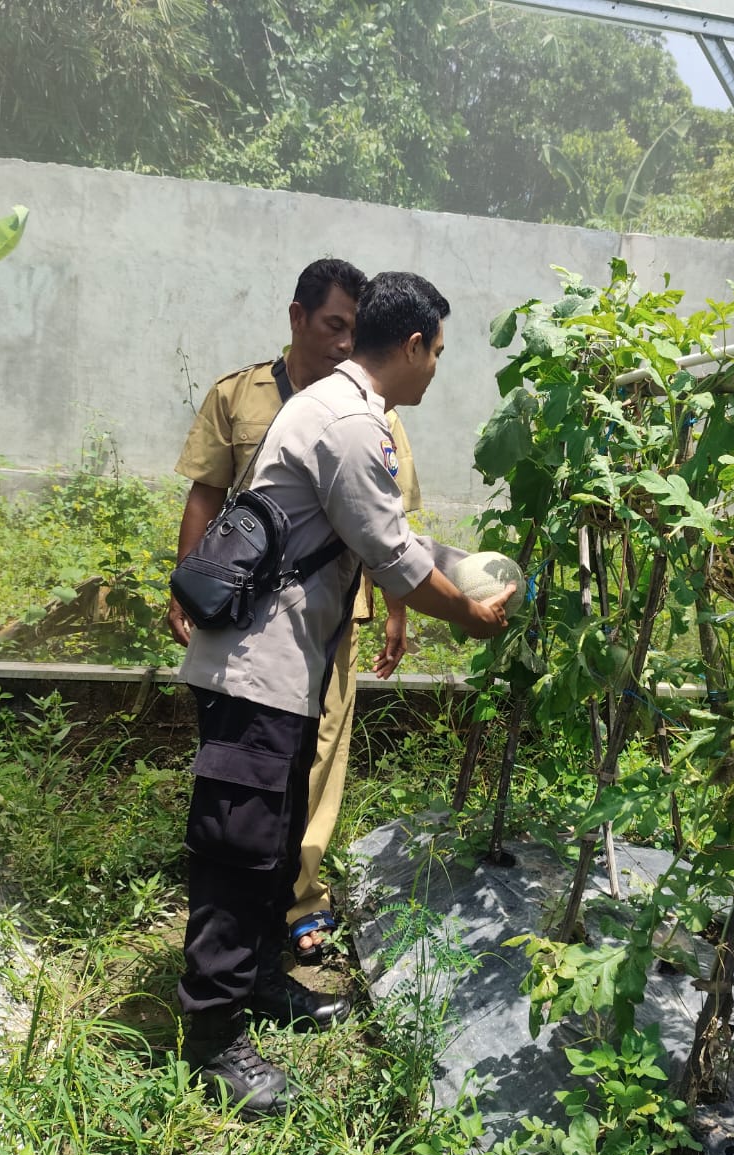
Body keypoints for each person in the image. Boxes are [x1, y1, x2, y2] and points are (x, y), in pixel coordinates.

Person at [174, 271, 513, 1112]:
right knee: (237, 851)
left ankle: (254, 983)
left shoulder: (339, 408)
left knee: (277, 839)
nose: (437, 367)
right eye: (436, 351)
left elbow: (387, 533)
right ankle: (211, 1041)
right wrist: (467, 613)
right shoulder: (352, 421)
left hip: (285, 670)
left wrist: (456, 562)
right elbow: (394, 560)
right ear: (409, 346)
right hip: (259, 672)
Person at [170, 258, 421, 964]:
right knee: (246, 775)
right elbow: (206, 495)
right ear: (298, 317)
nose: (344, 342)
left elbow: (395, 529)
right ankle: (233, 943)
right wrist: (183, 585)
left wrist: (398, 612)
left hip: (332, 619)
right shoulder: (242, 395)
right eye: (334, 324)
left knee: (313, 764)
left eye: (355, 327)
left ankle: (296, 899)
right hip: (250, 622)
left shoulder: (379, 419)